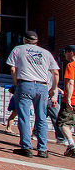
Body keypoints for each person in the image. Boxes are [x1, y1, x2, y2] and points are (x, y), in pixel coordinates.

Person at [6, 30, 59, 158]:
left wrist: (16, 83)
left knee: (24, 116)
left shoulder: (18, 49)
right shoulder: (46, 53)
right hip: (42, 86)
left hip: (25, 83)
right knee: (41, 117)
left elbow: (13, 68)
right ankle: (42, 149)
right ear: (37, 41)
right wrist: (53, 88)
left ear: (25, 39)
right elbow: (55, 72)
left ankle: (26, 147)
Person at [57, 45, 75, 157]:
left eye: (66, 52)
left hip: (72, 100)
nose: (64, 54)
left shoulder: (71, 65)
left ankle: (72, 144)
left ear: (71, 53)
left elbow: (70, 82)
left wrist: (68, 99)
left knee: (63, 123)